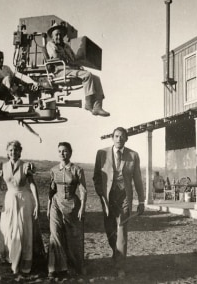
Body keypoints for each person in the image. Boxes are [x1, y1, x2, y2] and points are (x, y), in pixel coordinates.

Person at [93, 127, 145, 277]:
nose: (119, 139)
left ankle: (120, 266)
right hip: (108, 198)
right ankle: (116, 253)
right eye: (116, 136)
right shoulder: (102, 154)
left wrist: (141, 201)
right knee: (110, 231)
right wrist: (100, 193)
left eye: (122, 137)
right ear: (112, 138)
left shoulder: (133, 155)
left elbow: (138, 180)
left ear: (126, 139)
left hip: (124, 198)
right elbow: (96, 177)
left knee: (121, 230)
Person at [46, 22, 110, 116]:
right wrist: (68, 60)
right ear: (52, 36)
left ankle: (97, 107)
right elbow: (56, 57)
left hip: (70, 69)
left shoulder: (66, 46)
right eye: (57, 35)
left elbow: (73, 59)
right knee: (87, 75)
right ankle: (88, 104)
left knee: (96, 78)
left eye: (61, 34)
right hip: (60, 71)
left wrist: (74, 62)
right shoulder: (50, 44)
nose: (59, 37)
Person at [0, 140, 40, 275]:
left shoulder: (26, 166)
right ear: (7, 152)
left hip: (24, 200)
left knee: (22, 231)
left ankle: (21, 263)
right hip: (9, 200)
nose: (13, 152)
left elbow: (32, 185)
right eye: (10, 150)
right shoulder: (2, 166)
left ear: (20, 152)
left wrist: (37, 204)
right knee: (8, 230)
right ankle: (12, 259)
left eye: (16, 150)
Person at [48, 142, 87, 277]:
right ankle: (54, 268)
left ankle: (76, 265)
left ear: (70, 153)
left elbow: (83, 190)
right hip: (56, 204)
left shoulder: (77, 170)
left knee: (73, 237)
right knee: (55, 234)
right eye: (59, 151)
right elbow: (51, 191)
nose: (62, 153)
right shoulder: (53, 170)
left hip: (72, 205)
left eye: (65, 151)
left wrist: (82, 207)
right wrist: (48, 208)